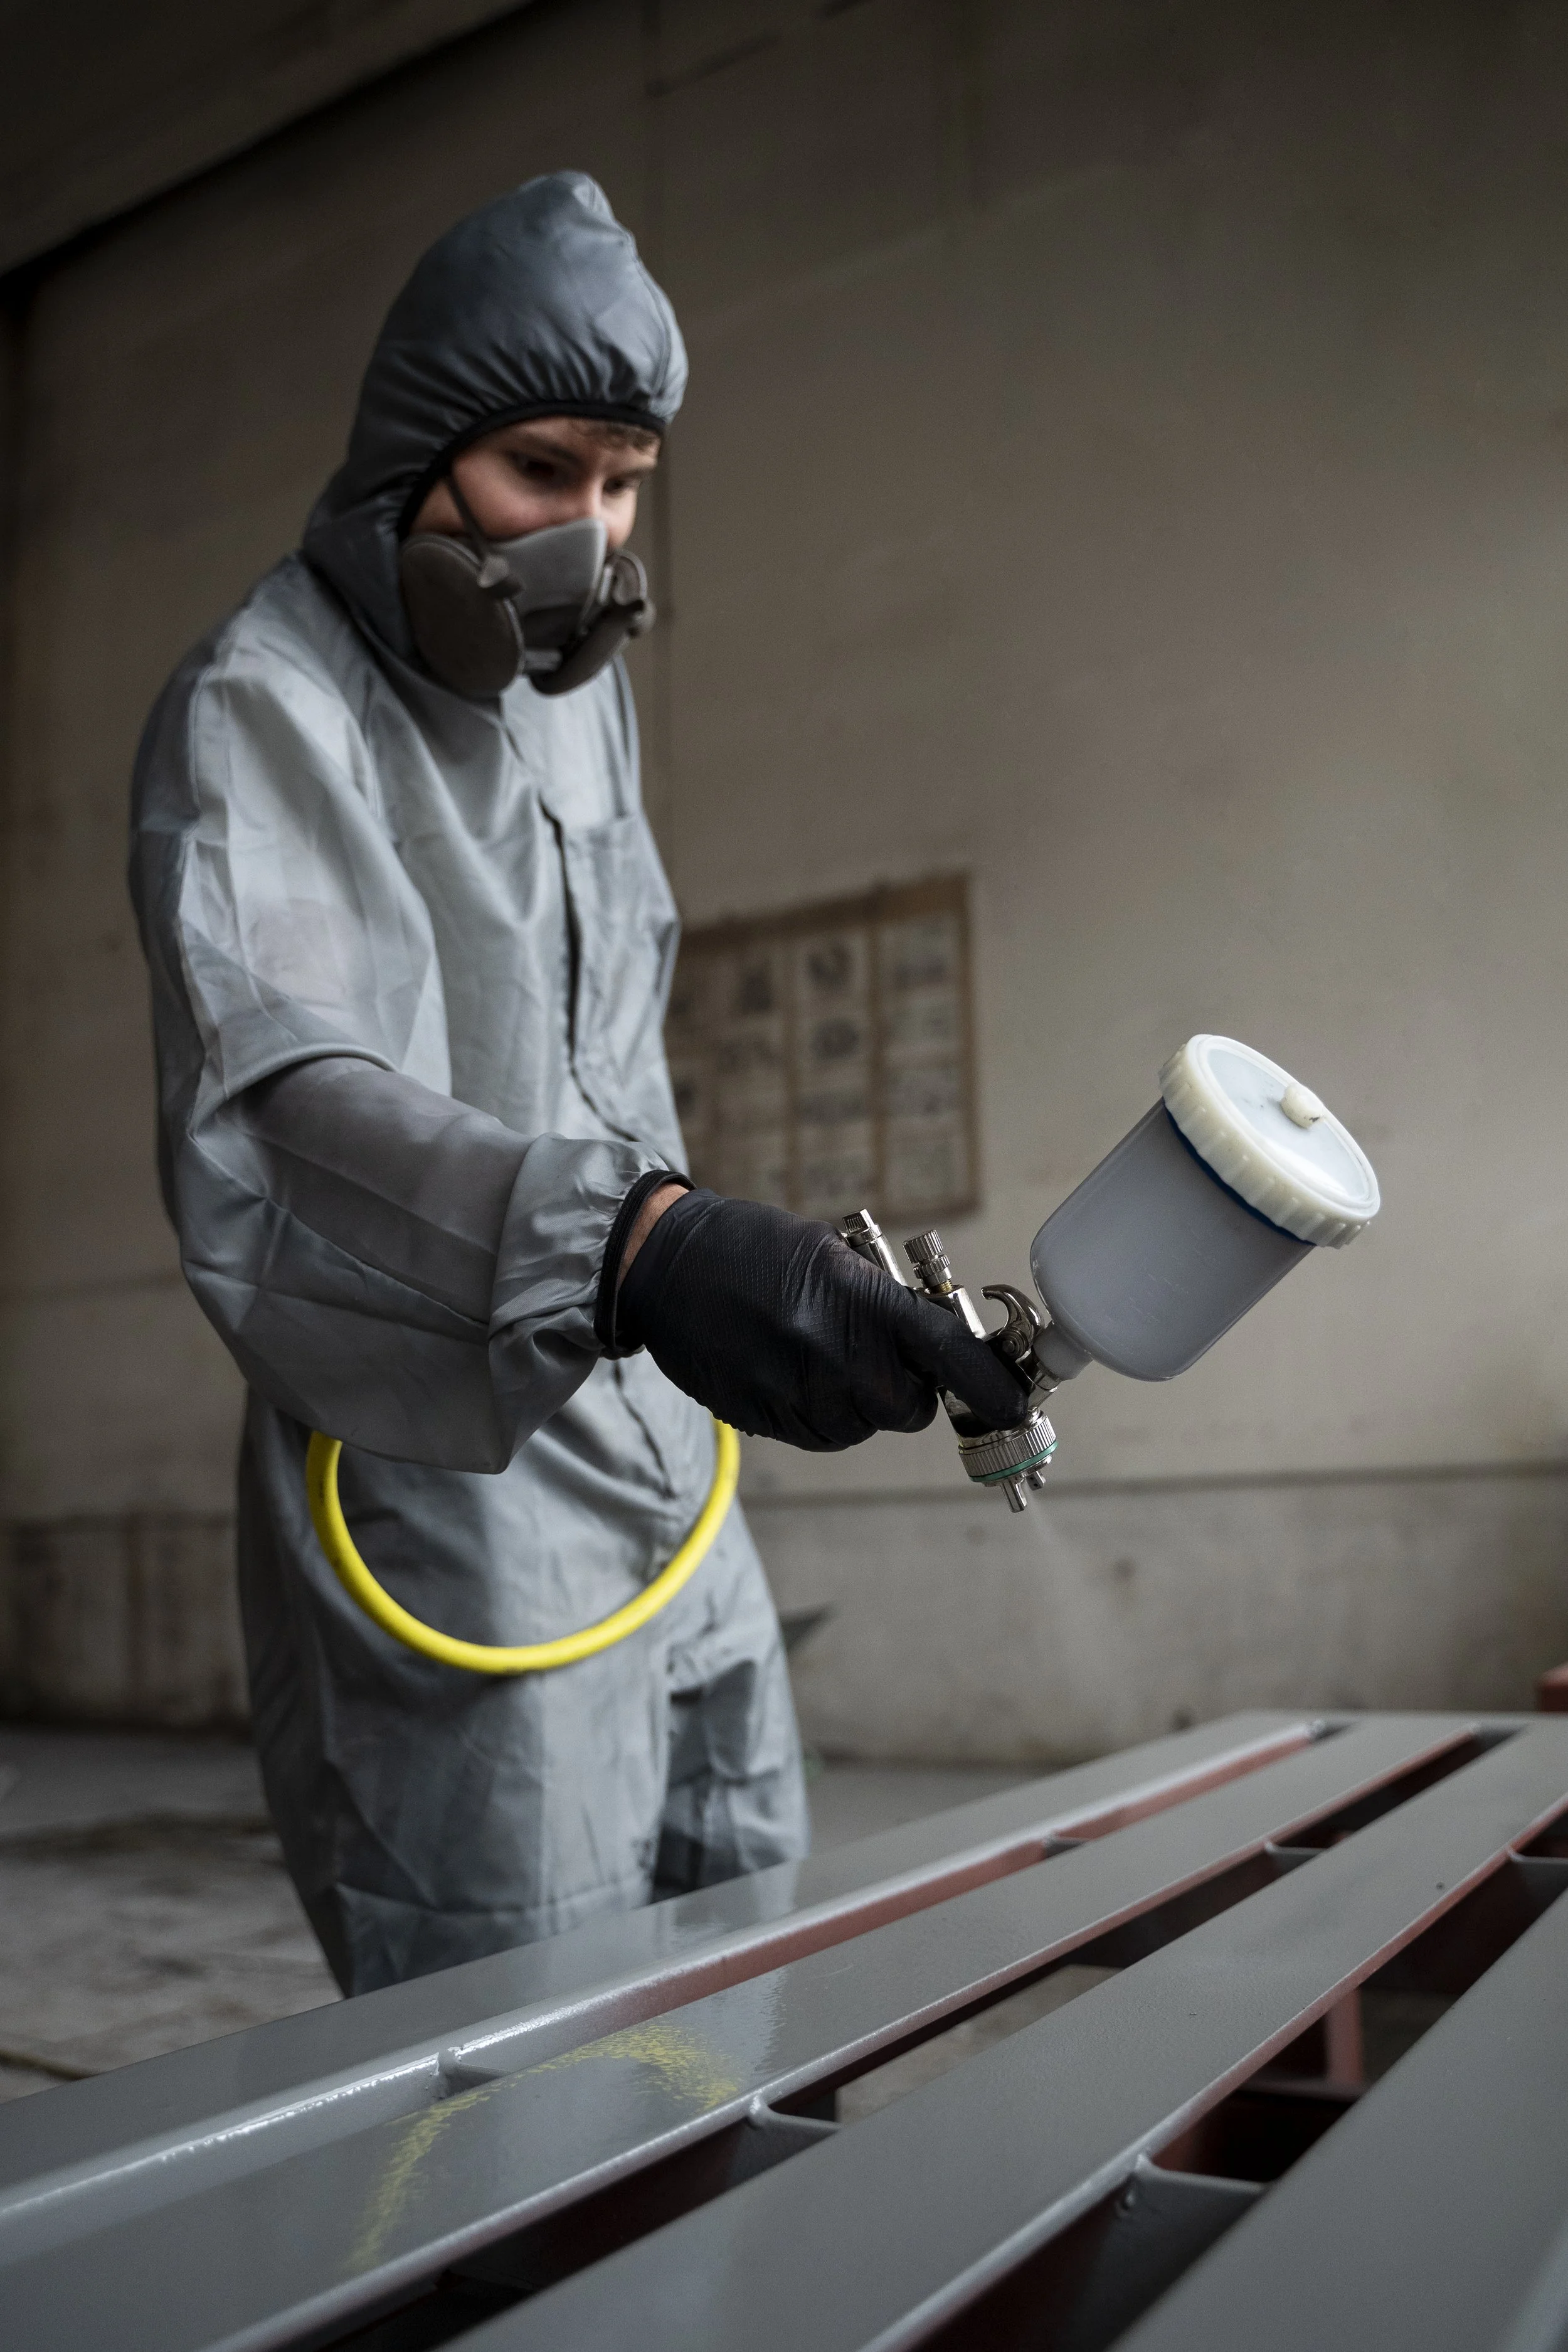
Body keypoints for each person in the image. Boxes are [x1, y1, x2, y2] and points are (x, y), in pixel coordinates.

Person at [129, 173, 1021, 1996]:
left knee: (747, 1957)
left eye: (625, 483)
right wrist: (633, 1250)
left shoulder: (571, 698)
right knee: (518, 2056)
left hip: (663, 1453)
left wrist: (732, 1269)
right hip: (450, 1490)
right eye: (545, 470)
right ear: (415, 455)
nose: (592, 532)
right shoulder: (265, 704)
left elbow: (603, 1051)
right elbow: (291, 1114)